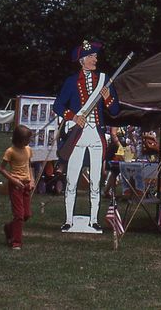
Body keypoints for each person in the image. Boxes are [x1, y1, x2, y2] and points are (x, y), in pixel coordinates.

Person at [54, 40, 120, 232]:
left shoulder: (104, 80)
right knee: (72, 179)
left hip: (96, 135)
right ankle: (68, 220)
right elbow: (58, 106)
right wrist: (73, 116)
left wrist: (108, 98)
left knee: (95, 182)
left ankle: (94, 220)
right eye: (91, 56)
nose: (95, 59)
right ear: (82, 60)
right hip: (77, 135)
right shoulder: (71, 82)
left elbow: (115, 110)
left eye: (95, 56)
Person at [0, 125, 34, 250]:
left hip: (26, 184)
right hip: (15, 186)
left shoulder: (28, 149)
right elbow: (1, 169)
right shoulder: (10, 151)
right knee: (19, 214)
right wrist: (13, 180)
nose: (28, 142)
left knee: (27, 214)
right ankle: (16, 242)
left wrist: (32, 180)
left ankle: (9, 228)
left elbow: (29, 166)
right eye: (26, 140)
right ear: (19, 139)